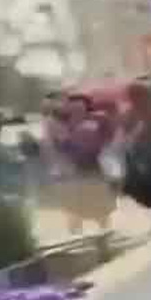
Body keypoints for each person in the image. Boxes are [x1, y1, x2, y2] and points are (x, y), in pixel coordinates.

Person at [43, 93, 116, 237]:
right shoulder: (63, 123)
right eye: (73, 107)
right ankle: (76, 233)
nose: (77, 110)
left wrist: (100, 147)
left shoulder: (96, 120)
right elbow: (58, 144)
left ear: (85, 108)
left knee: (97, 201)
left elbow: (108, 137)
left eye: (80, 107)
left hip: (92, 166)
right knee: (75, 204)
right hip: (74, 168)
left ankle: (104, 229)